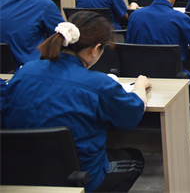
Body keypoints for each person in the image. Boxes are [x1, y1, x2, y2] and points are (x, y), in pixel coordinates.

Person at [3, 11, 150, 192]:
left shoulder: (24, 72)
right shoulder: (98, 84)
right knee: (135, 160)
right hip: (78, 176)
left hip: (21, 172)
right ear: (94, 49)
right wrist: (140, 86)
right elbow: (131, 116)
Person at [126, 0, 190, 145]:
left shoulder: (135, 16)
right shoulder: (179, 18)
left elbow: (130, 45)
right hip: (173, 80)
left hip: (140, 80)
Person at [0, 0, 65, 66]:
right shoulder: (45, 4)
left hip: (4, 67)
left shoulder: (3, 0)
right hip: (30, 67)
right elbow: (62, 36)